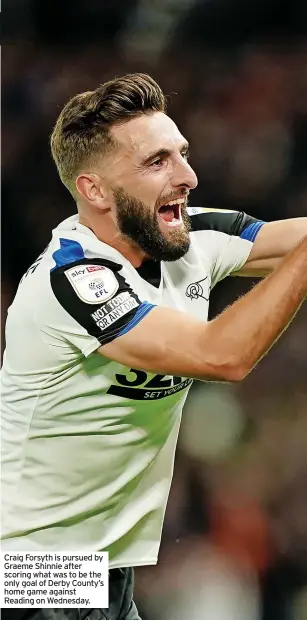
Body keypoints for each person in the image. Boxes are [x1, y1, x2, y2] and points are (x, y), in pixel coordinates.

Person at [1, 73, 307, 621]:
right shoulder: (72, 278)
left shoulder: (190, 239)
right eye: (156, 161)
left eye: (182, 153)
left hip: (103, 569)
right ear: (94, 190)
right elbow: (222, 356)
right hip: (31, 571)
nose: (188, 176)